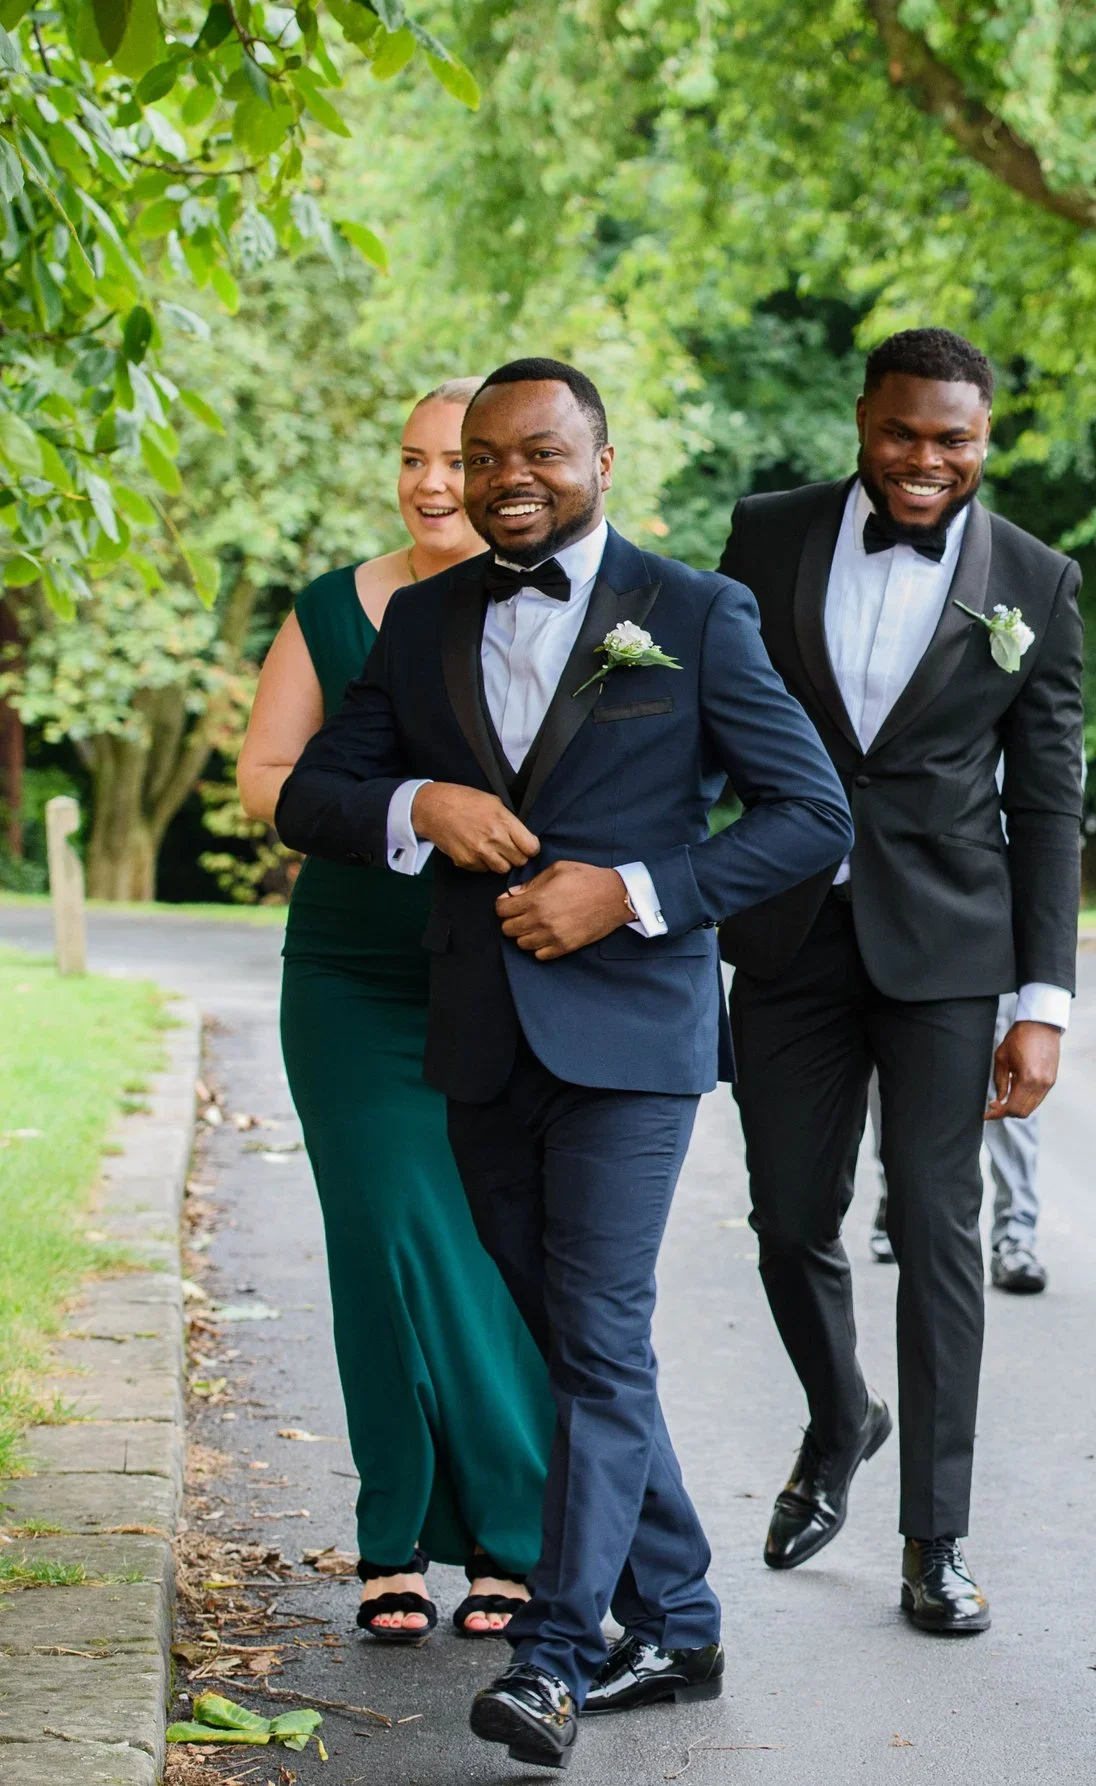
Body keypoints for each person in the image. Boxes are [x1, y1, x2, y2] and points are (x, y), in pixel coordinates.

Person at [276, 358, 851, 1767]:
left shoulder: (698, 615)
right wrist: (422, 800)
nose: (504, 479)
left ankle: (554, 1654)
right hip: (475, 1032)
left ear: (602, 458)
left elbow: (809, 814)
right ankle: (685, 1613)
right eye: (481, 460)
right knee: (566, 1339)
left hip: (631, 1039)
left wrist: (635, 890)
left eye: (538, 453)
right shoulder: (419, 624)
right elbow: (308, 794)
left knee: (594, 1332)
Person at [715, 327, 1083, 1634]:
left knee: (938, 1230)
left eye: (955, 439)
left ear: (985, 436)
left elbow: (1048, 805)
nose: (927, 461)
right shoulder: (764, 535)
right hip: (785, 931)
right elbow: (713, 713)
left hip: (946, 950)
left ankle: (939, 1537)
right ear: (862, 420)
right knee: (786, 1214)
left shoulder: (1036, 578)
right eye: (903, 434)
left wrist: (1043, 999)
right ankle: (839, 1416)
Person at [238, 379, 549, 1646]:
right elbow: (268, 777)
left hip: (509, 971)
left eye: (457, 460)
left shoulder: (556, 608)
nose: (433, 484)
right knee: (380, 1241)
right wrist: (410, 806)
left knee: (488, 1243)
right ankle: (395, 1531)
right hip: (353, 979)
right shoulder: (333, 609)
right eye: (414, 459)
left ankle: (511, 1537)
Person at [867, 1000, 1051, 1293]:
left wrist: (1043, 1014)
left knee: (1009, 1086)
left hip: (994, 969)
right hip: (892, 971)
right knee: (892, 1083)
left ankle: (1015, 1236)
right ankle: (895, 1194)